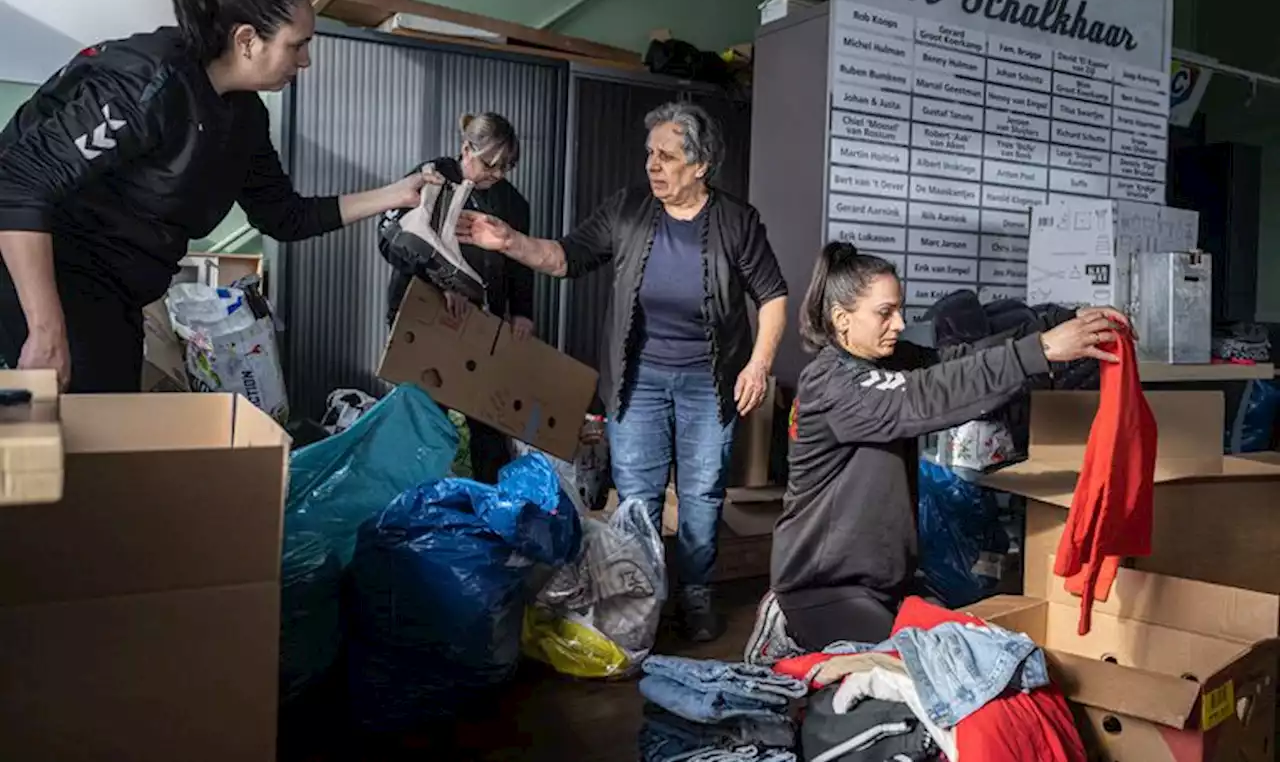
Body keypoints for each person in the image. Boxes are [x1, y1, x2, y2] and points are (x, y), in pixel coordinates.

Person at [0, 0, 427, 393]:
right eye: (297, 45)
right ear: (247, 40)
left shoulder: (245, 117)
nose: (306, 60)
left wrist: (399, 194)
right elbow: (18, 184)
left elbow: (283, 215)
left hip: (119, 292)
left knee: (105, 431)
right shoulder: (147, 83)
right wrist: (46, 331)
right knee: (77, 440)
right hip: (50, 274)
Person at [455, 101, 788, 642]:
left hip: (710, 381)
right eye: (649, 154)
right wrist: (508, 241)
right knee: (638, 494)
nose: (652, 165)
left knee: (703, 493)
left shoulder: (736, 220)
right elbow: (566, 257)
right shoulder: (628, 210)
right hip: (640, 379)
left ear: (700, 165)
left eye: (666, 156)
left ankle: (697, 595)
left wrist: (759, 364)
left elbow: (772, 295)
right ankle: (644, 598)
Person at [763, 241, 1129, 651]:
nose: (900, 323)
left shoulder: (890, 361)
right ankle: (782, 633)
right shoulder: (830, 386)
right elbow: (925, 395)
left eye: (899, 309)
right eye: (885, 313)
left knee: (973, 652)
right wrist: (1038, 351)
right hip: (823, 588)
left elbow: (958, 361)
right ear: (841, 319)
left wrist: (1058, 322)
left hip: (886, 583)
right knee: (927, 673)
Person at [381, 111, 532, 483]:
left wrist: (523, 312)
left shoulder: (512, 203)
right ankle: (416, 505)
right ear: (466, 149)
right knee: (426, 419)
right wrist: (444, 284)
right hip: (426, 316)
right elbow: (389, 241)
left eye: (505, 168)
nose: (496, 175)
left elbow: (520, 263)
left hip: (482, 324)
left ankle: (491, 508)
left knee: (489, 421)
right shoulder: (430, 177)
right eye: (490, 165)